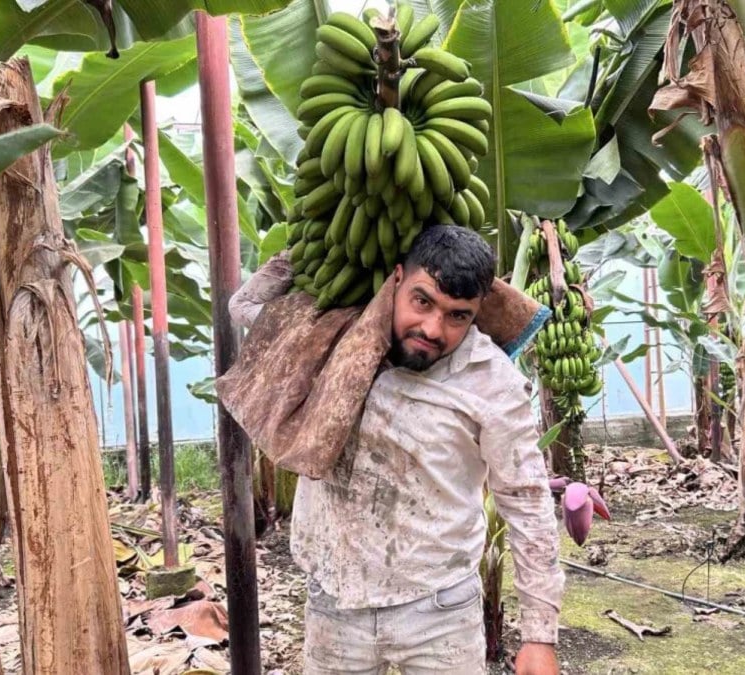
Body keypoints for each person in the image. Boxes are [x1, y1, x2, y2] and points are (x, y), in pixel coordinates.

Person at [229, 224, 563, 675]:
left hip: (439, 612)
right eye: (422, 301)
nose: (432, 328)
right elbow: (244, 307)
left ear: (479, 312)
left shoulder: (491, 383)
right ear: (397, 278)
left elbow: (526, 501)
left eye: (457, 315)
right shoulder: (330, 338)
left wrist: (538, 635)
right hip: (334, 601)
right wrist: (325, 238)